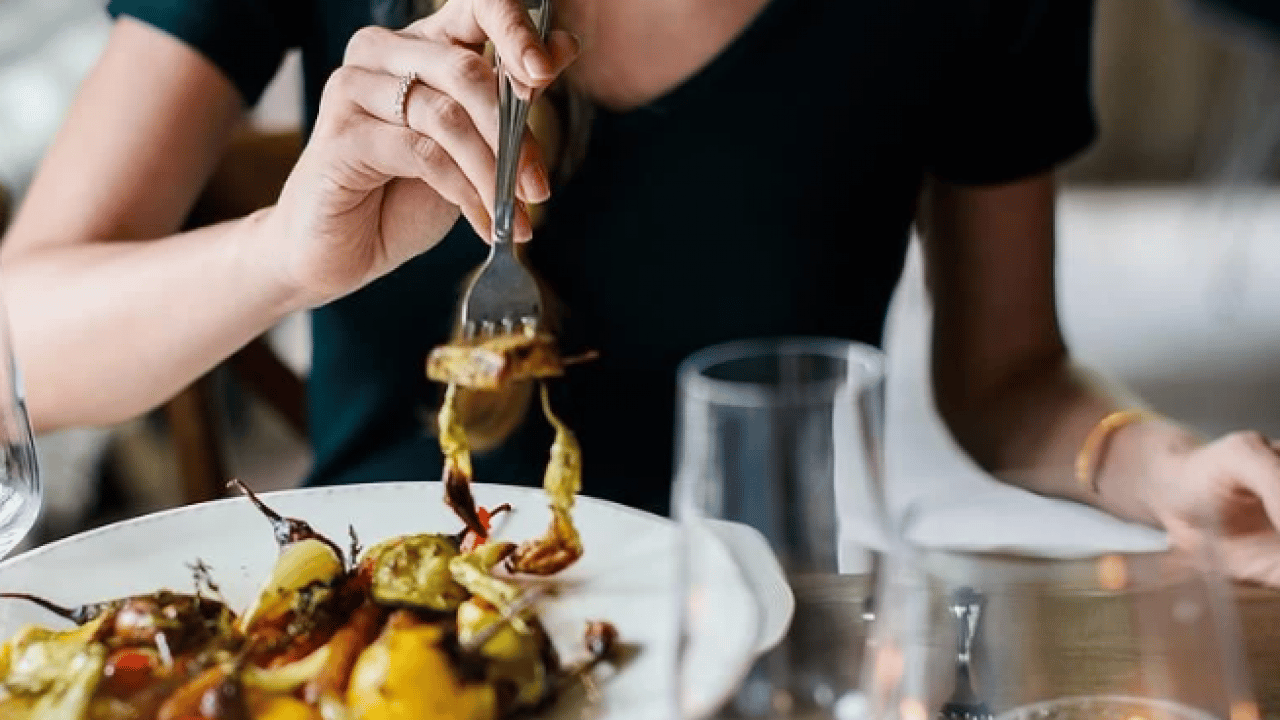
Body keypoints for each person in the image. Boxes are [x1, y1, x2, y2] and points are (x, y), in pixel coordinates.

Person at [4, 0, 1280, 584]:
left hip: (759, 644)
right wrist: (284, 253)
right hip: (371, 642)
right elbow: (24, 343)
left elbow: (1010, 381)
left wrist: (1153, 465)